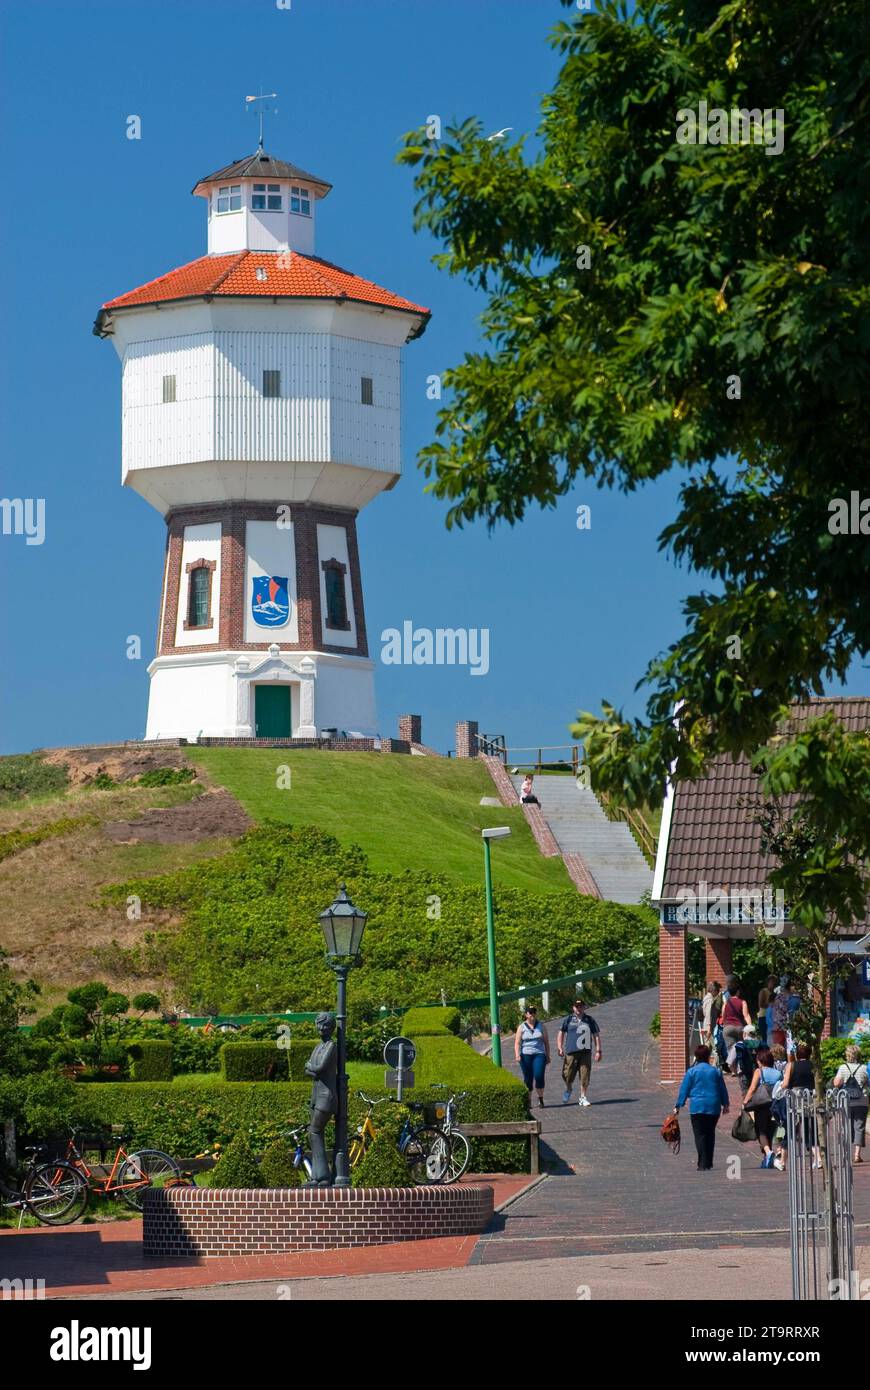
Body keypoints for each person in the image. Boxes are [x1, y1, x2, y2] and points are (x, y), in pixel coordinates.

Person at [674, 1044, 730, 1171]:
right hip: (713, 1106)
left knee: (699, 1135)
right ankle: (708, 1161)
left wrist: (678, 1105)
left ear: (696, 1057)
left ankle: (702, 1162)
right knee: (710, 1133)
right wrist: (725, 1104)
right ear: (708, 1057)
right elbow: (722, 1089)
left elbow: (684, 1089)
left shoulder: (691, 1072)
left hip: (697, 1107)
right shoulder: (716, 1071)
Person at [557, 997, 602, 1106]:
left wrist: (598, 1051)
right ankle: (568, 1089)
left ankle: (583, 1097)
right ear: (573, 1008)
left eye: (581, 1006)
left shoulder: (589, 1020)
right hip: (571, 1052)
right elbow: (561, 1033)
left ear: (584, 1007)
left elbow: (596, 1035)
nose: (579, 1008)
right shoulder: (568, 1019)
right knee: (567, 1075)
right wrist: (560, 1047)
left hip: (585, 1052)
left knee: (585, 1075)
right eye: (576, 1006)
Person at [743, 1046, 782, 1168]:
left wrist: (745, 1102)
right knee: (771, 1129)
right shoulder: (778, 1073)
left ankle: (769, 1152)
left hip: (761, 1105)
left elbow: (752, 1088)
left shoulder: (759, 1072)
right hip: (774, 1104)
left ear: (760, 1060)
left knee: (761, 1130)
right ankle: (767, 1159)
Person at [833, 1044, 869, 1164]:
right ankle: (856, 1154)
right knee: (859, 1127)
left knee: (845, 1127)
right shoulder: (864, 1068)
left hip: (846, 1101)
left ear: (848, 1055)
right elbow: (867, 1083)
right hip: (862, 1101)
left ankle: (845, 1153)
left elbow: (836, 1083)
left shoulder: (843, 1067)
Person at [515, 1005, 550, 1108]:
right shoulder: (521, 1027)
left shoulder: (541, 1026)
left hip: (539, 1054)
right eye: (530, 1012)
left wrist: (547, 1055)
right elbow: (517, 1043)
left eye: (534, 1012)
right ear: (526, 1014)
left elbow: (546, 1042)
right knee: (528, 1079)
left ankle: (540, 1099)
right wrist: (517, 1054)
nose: (532, 1015)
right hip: (525, 1055)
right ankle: (529, 1099)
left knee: (539, 1076)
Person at [720, 981, 752, 1071]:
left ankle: (733, 1070)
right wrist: (750, 1027)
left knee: (730, 1050)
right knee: (740, 1048)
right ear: (738, 991)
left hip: (727, 1028)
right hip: (739, 1028)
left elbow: (723, 1016)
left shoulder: (726, 1003)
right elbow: (746, 1015)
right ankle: (740, 1068)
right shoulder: (742, 1002)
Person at [733, 1023, 761, 1096]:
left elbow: (730, 1062)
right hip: (757, 1072)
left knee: (746, 1095)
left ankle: (747, 1106)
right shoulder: (760, 1044)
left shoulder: (739, 1044)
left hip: (743, 1073)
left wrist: (736, 1072)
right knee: (757, 1094)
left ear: (745, 1033)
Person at [757, 975, 778, 1044]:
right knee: (764, 1037)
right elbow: (760, 1004)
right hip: (763, 1016)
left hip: (772, 1018)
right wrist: (771, 1005)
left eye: (775, 982)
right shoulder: (763, 991)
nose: (774, 984)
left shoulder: (775, 994)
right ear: (768, 982)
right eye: (772, 982)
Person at [701, 980, 722, 1046]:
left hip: (709, 1026)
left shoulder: (709, 999)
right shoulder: (709, 1000)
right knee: (712, 1049)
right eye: (717, 990)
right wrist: (709, 1029)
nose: (718, 992)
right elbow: (708, 1015)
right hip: (709, 1027)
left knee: (709, 1049)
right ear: (713, 990)